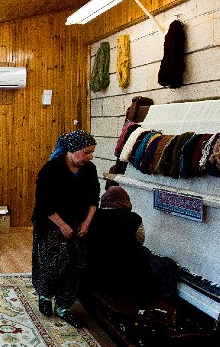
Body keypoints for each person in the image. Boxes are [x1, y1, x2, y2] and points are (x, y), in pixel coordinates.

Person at [32, 129, 99, 328]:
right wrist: (62, 226)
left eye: (91, 152)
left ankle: (63, 305)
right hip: (52, 222)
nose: (90, 156)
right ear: (72, 149)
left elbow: (94, 199)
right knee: (55, 263)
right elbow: (44, 204)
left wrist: (86, 223)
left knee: (75, 265)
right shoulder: (51, 170)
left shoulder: (89, 170)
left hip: (79, 224)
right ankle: (45, 296)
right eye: (86, 152)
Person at [85, 186, 178, 301]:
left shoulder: (90, 217)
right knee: (168, 264)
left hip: (96, 277)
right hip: (127, 280)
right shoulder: (134, 219)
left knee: (145, 252)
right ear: (124, 201)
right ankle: (164, 301)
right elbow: (140, 241)